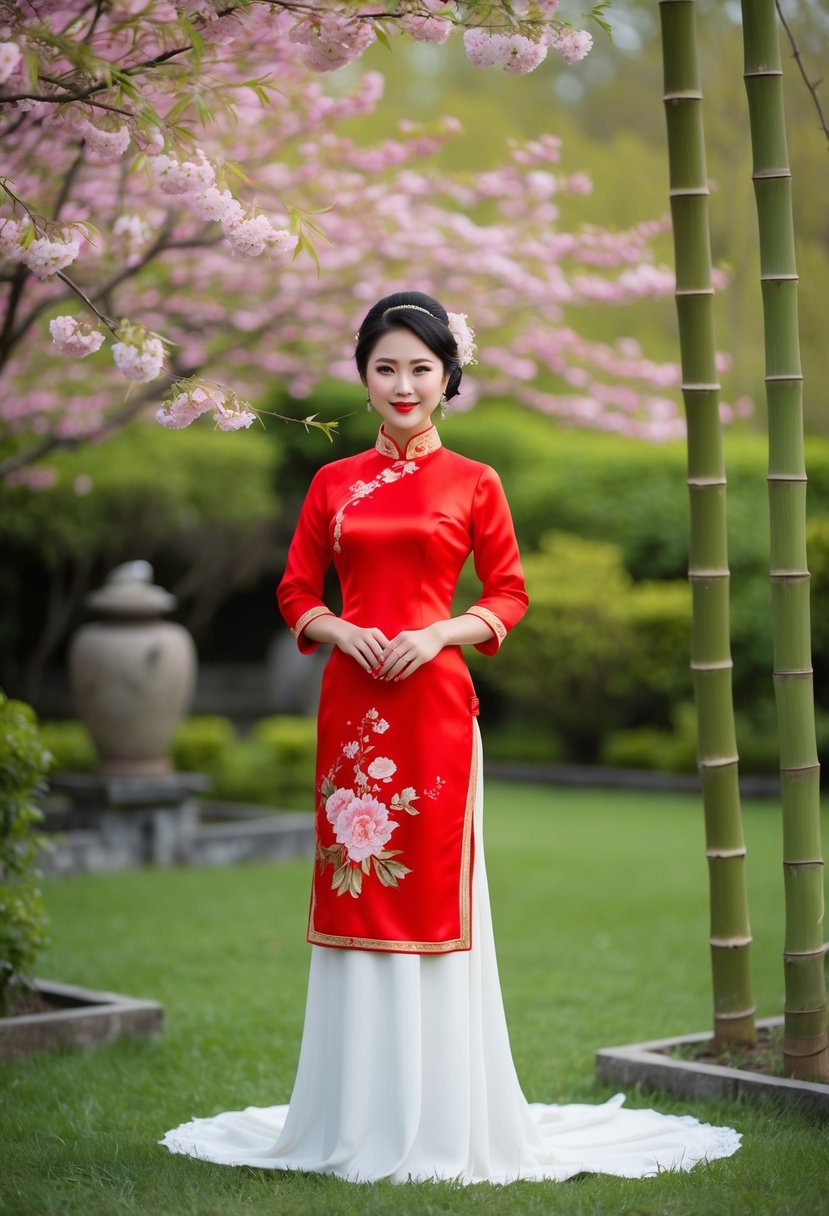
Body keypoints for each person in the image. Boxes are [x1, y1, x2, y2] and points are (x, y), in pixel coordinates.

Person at [160, 291, 741, 1183]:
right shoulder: (331, 482)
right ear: (362, 374)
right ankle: (351, 1110)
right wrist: (337, 628)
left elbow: (508, 593)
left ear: (447, 378)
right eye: (385, 366)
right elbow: (290, 591)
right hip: (352, 710)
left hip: (433, 711)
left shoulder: (475, 482)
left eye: (419, 368)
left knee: (433, 900)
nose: (402, 384)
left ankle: (439, 1114)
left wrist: (436, 632)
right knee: (356, 893)